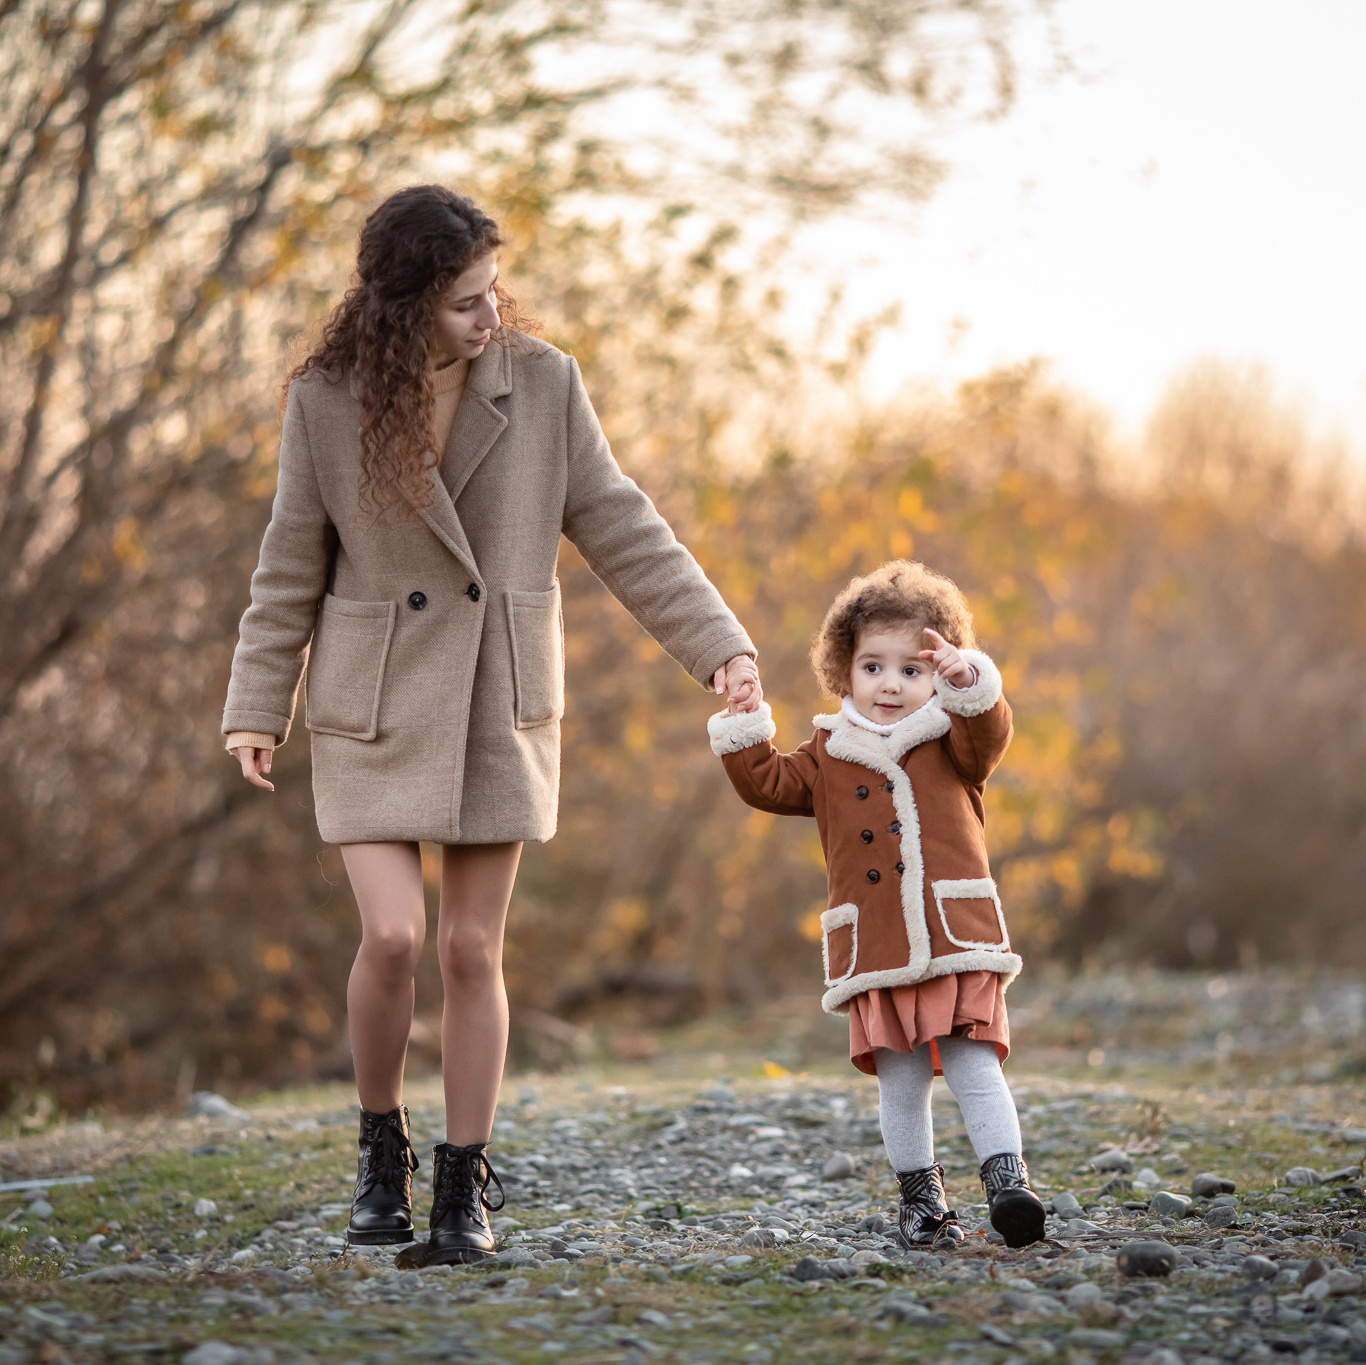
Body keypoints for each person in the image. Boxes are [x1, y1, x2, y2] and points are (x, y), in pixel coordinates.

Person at [222, 184, 762, 1264]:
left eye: (494, 292)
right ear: (404, 305)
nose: (490, 314)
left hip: (492, 696)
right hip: (372, 700)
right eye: (466, 301)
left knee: (470, 947)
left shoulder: (545, 382)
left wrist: (721, 647)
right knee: (392, 936)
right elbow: (288, 563)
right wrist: (256, 702)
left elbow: (621, 523)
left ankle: (463, 1184)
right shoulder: (325, 400)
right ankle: (382, 1145)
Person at [705, 560, 1045, 1248]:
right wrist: (745, 724)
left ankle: (1008, 1183)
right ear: (845, 670)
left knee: (974, 1062)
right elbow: (768, 782)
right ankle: (922, 1202)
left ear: (937, 675)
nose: (891, 684)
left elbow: (990, 730)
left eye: (912, 670)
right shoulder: (828, 752)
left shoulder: (954, 739)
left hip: (952, 934)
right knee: (902, 1077)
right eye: (873, 667)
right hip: (879, 945)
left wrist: (968, 681)